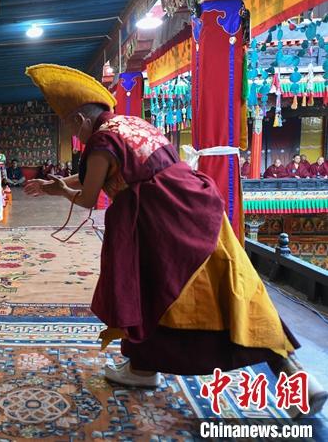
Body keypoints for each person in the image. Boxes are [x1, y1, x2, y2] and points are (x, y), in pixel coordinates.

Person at [23, 64, 326, 416]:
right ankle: (147, 367)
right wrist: (53, 186)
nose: (75, 133)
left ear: (80, 119)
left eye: (71, 125)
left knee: (156, 292)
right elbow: (102, 172)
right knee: (234, 290)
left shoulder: (101, 141)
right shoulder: (131, 124)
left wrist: (59, 190)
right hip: (198, 208)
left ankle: (146, 367)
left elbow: (91, 198)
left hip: (163, 224)